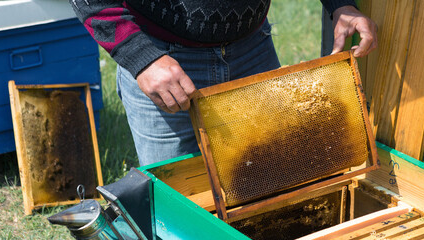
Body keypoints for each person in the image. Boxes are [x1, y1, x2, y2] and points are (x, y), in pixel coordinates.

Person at [70, 0, 378, 166]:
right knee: (180, 208)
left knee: (270, 178)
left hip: (252, 48)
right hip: (162, 59)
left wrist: (340, 4)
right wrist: (141, 56)